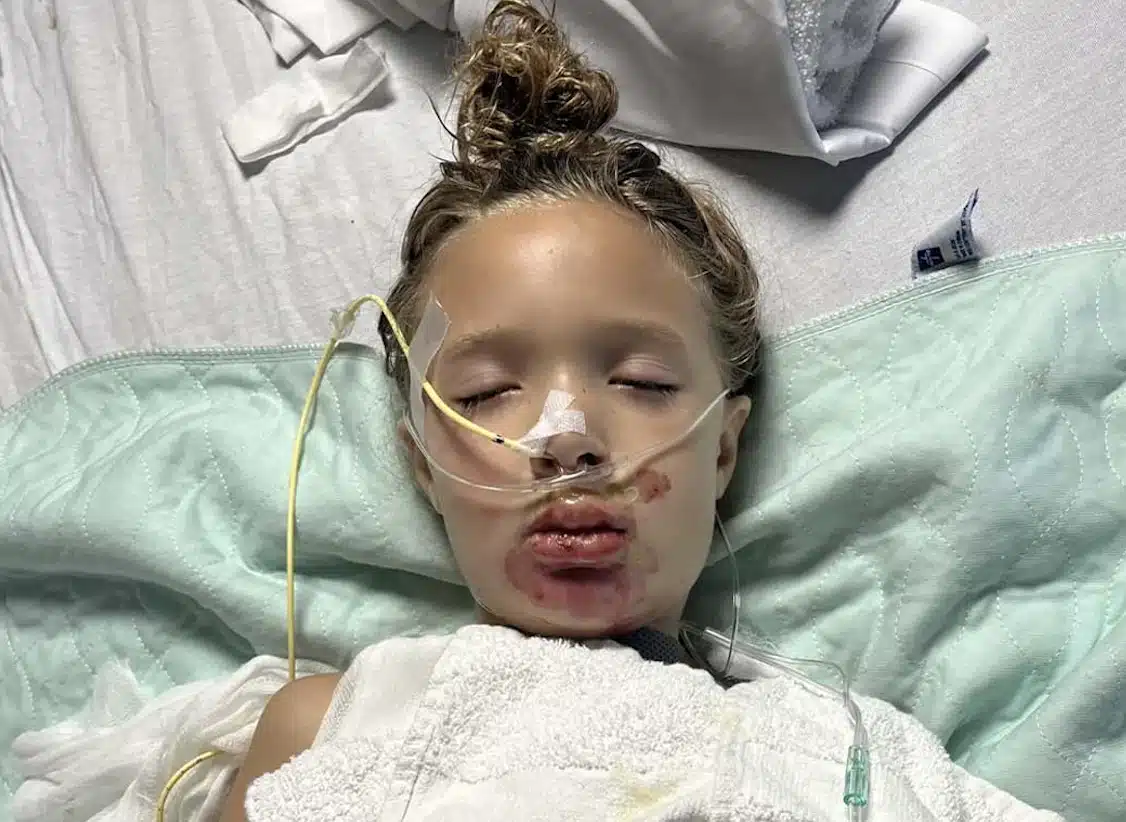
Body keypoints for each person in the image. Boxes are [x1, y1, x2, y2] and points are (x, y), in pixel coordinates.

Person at [218, 3, 1062, 820]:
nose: (569, 440)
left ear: (724, 449)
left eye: (643, 381)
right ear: (422, 465)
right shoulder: (327, 730)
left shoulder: (852, 758)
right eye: (484, 394)